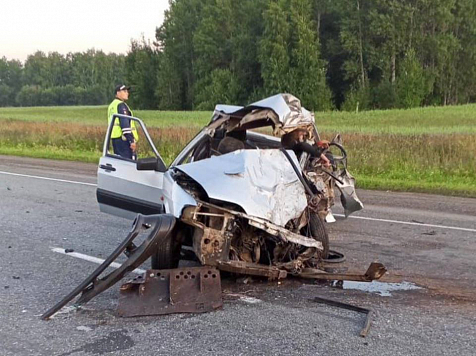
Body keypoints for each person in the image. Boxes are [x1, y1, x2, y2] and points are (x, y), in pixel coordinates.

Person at [107, 84, 138, 159]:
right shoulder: (121, 105)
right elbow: (125, 125)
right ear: (118, 93)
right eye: (124, 91)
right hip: (124, 140)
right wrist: (131, 141)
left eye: (127, 91)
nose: (127, 93)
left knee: (119, 162)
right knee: (129, 164)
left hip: (115, 139)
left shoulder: (111, 106)